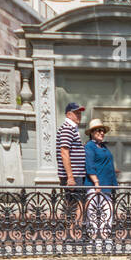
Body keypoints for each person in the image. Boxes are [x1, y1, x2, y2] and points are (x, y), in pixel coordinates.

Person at [56, 101, 87, 240]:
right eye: (76, 113)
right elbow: (64, 152)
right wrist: (70, 177)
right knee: (76, 204)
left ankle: (72, 234)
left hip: (75, 174)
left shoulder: (71, 129)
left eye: (80, 112)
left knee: (73, 203)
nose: (79, 115)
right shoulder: (68, 128)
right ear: (69, 114)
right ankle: (74, 234)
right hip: (73, 175)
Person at [83, 118, 116, 243]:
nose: (102, 133)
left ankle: (105, 235)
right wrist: (96, 182)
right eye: (98, 130)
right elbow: (89, 165)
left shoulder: (103, 146)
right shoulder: (90, 146)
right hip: (96, 184)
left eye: (103, 131)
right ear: (92, 132)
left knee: (107, 209)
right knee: (93, 209)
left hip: (107, 183)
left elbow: (105, 161)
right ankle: (94, 236)